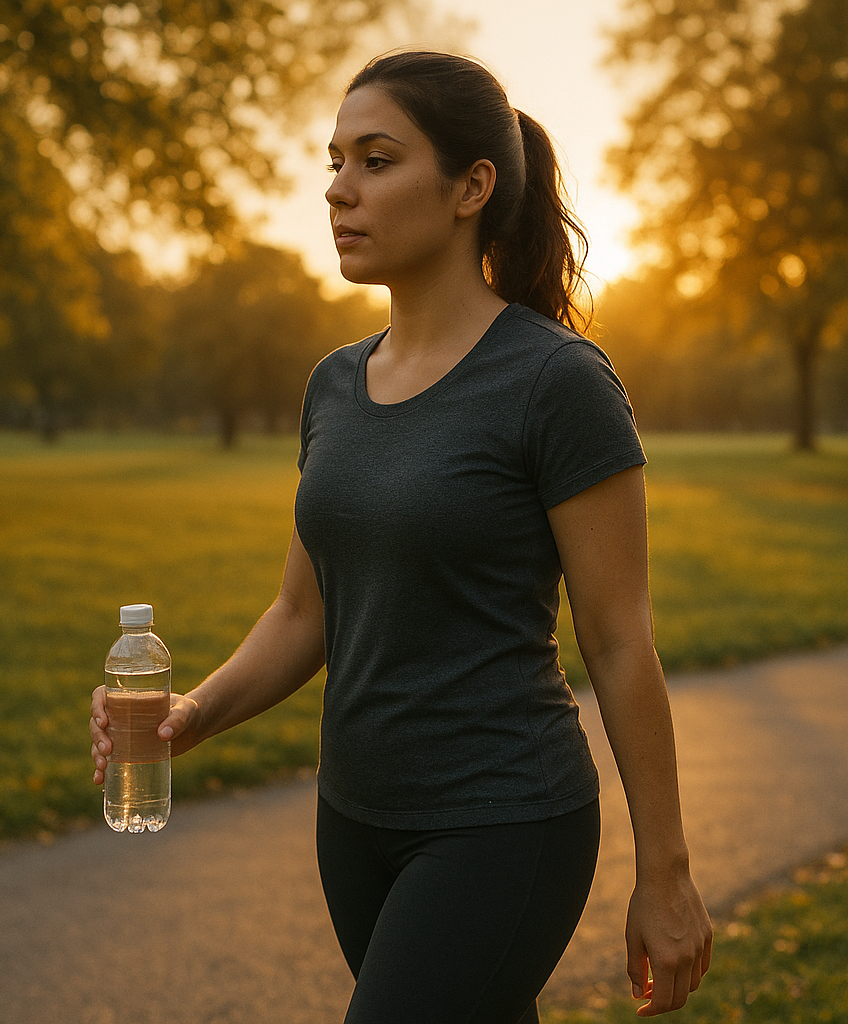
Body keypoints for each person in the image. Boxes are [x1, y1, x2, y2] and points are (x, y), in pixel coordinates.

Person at [90, 50, 712, 1023]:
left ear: (473, 187)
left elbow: (622, 639)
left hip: (503, 818)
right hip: (356, 820)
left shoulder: (558, 382)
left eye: (376, 161)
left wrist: (666, 874)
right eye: (334, 162)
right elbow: (305, 610)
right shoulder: (334, 384)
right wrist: (195, 711)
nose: (339, 190)